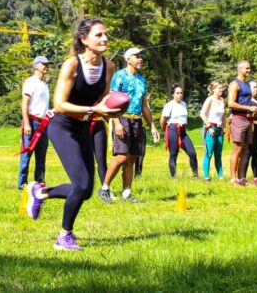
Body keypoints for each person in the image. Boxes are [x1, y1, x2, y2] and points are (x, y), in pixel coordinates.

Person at [25, 18, 121, 251]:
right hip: (62, 126)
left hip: (84, 127)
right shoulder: (72, 65)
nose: (105, 39)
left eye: (105, 34)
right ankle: (64, 236)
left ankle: (41, 192)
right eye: (98, 35)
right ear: (84, 39)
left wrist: (116, 112)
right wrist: (94, 110)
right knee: (81, 184)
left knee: (86, 190)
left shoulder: (108, 66)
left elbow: (103, 100)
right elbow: (59, 104)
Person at [98, 47, 160, 204]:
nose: (140, 59)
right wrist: (116, 122)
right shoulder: (119, 76)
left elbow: (144, 105)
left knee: (132, 158)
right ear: (128, 59)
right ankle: (104, 188)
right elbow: (111, 100)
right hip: (123, 119)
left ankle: (127, 193)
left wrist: (152, 125)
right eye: (137, 56)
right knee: (121, 156)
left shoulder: (141, 80)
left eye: (141, 57)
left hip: (137, 120)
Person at [17, 56, 51, 190]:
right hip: (32, 122)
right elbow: (24, 102)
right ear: (36, 66)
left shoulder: (44, 85)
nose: (46, 66)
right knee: (26, 155)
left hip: (44, 124)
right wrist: (27, 123)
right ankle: (22, 185)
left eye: (47, 64)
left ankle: (40, 183)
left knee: (41, 156)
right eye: (44, 64)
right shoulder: (30, 82)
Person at [227, 61, 257, 186]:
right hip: (238, 119)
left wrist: (252, 110)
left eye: (249, 68)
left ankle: (241, 179)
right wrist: (249, 108)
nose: (249, 70)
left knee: (245, 149)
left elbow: (246, 101)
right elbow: (231, 103)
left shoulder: (246, 84)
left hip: (247, 119)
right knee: (237, 149)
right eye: (246, 68)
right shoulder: (235, 84)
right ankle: (233, 179)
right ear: (240, 69)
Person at [161, 85, 198, 178]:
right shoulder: (169, 105)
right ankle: (173, 177)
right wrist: (165, 131)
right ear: (173, 94)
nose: (180, 95)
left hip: (183, 131)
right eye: (177, 93)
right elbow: (162, 120)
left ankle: (195, 175)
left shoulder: (184, 104)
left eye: (181, 93)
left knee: (192, 153)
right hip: (172, 129)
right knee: (173, 154)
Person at [199, 80, 225, 181]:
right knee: (209, 153)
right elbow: (202, 114)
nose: (221, 90)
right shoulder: (210, 99)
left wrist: (224, 127)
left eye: (222, 88)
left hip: (219, 129)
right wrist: (209, 127)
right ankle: (206, 176)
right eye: (219, 88)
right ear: (213, 89)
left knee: (218, 154)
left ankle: (221, 177)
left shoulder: (222, 100)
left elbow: (223, 115)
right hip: (210, 129)